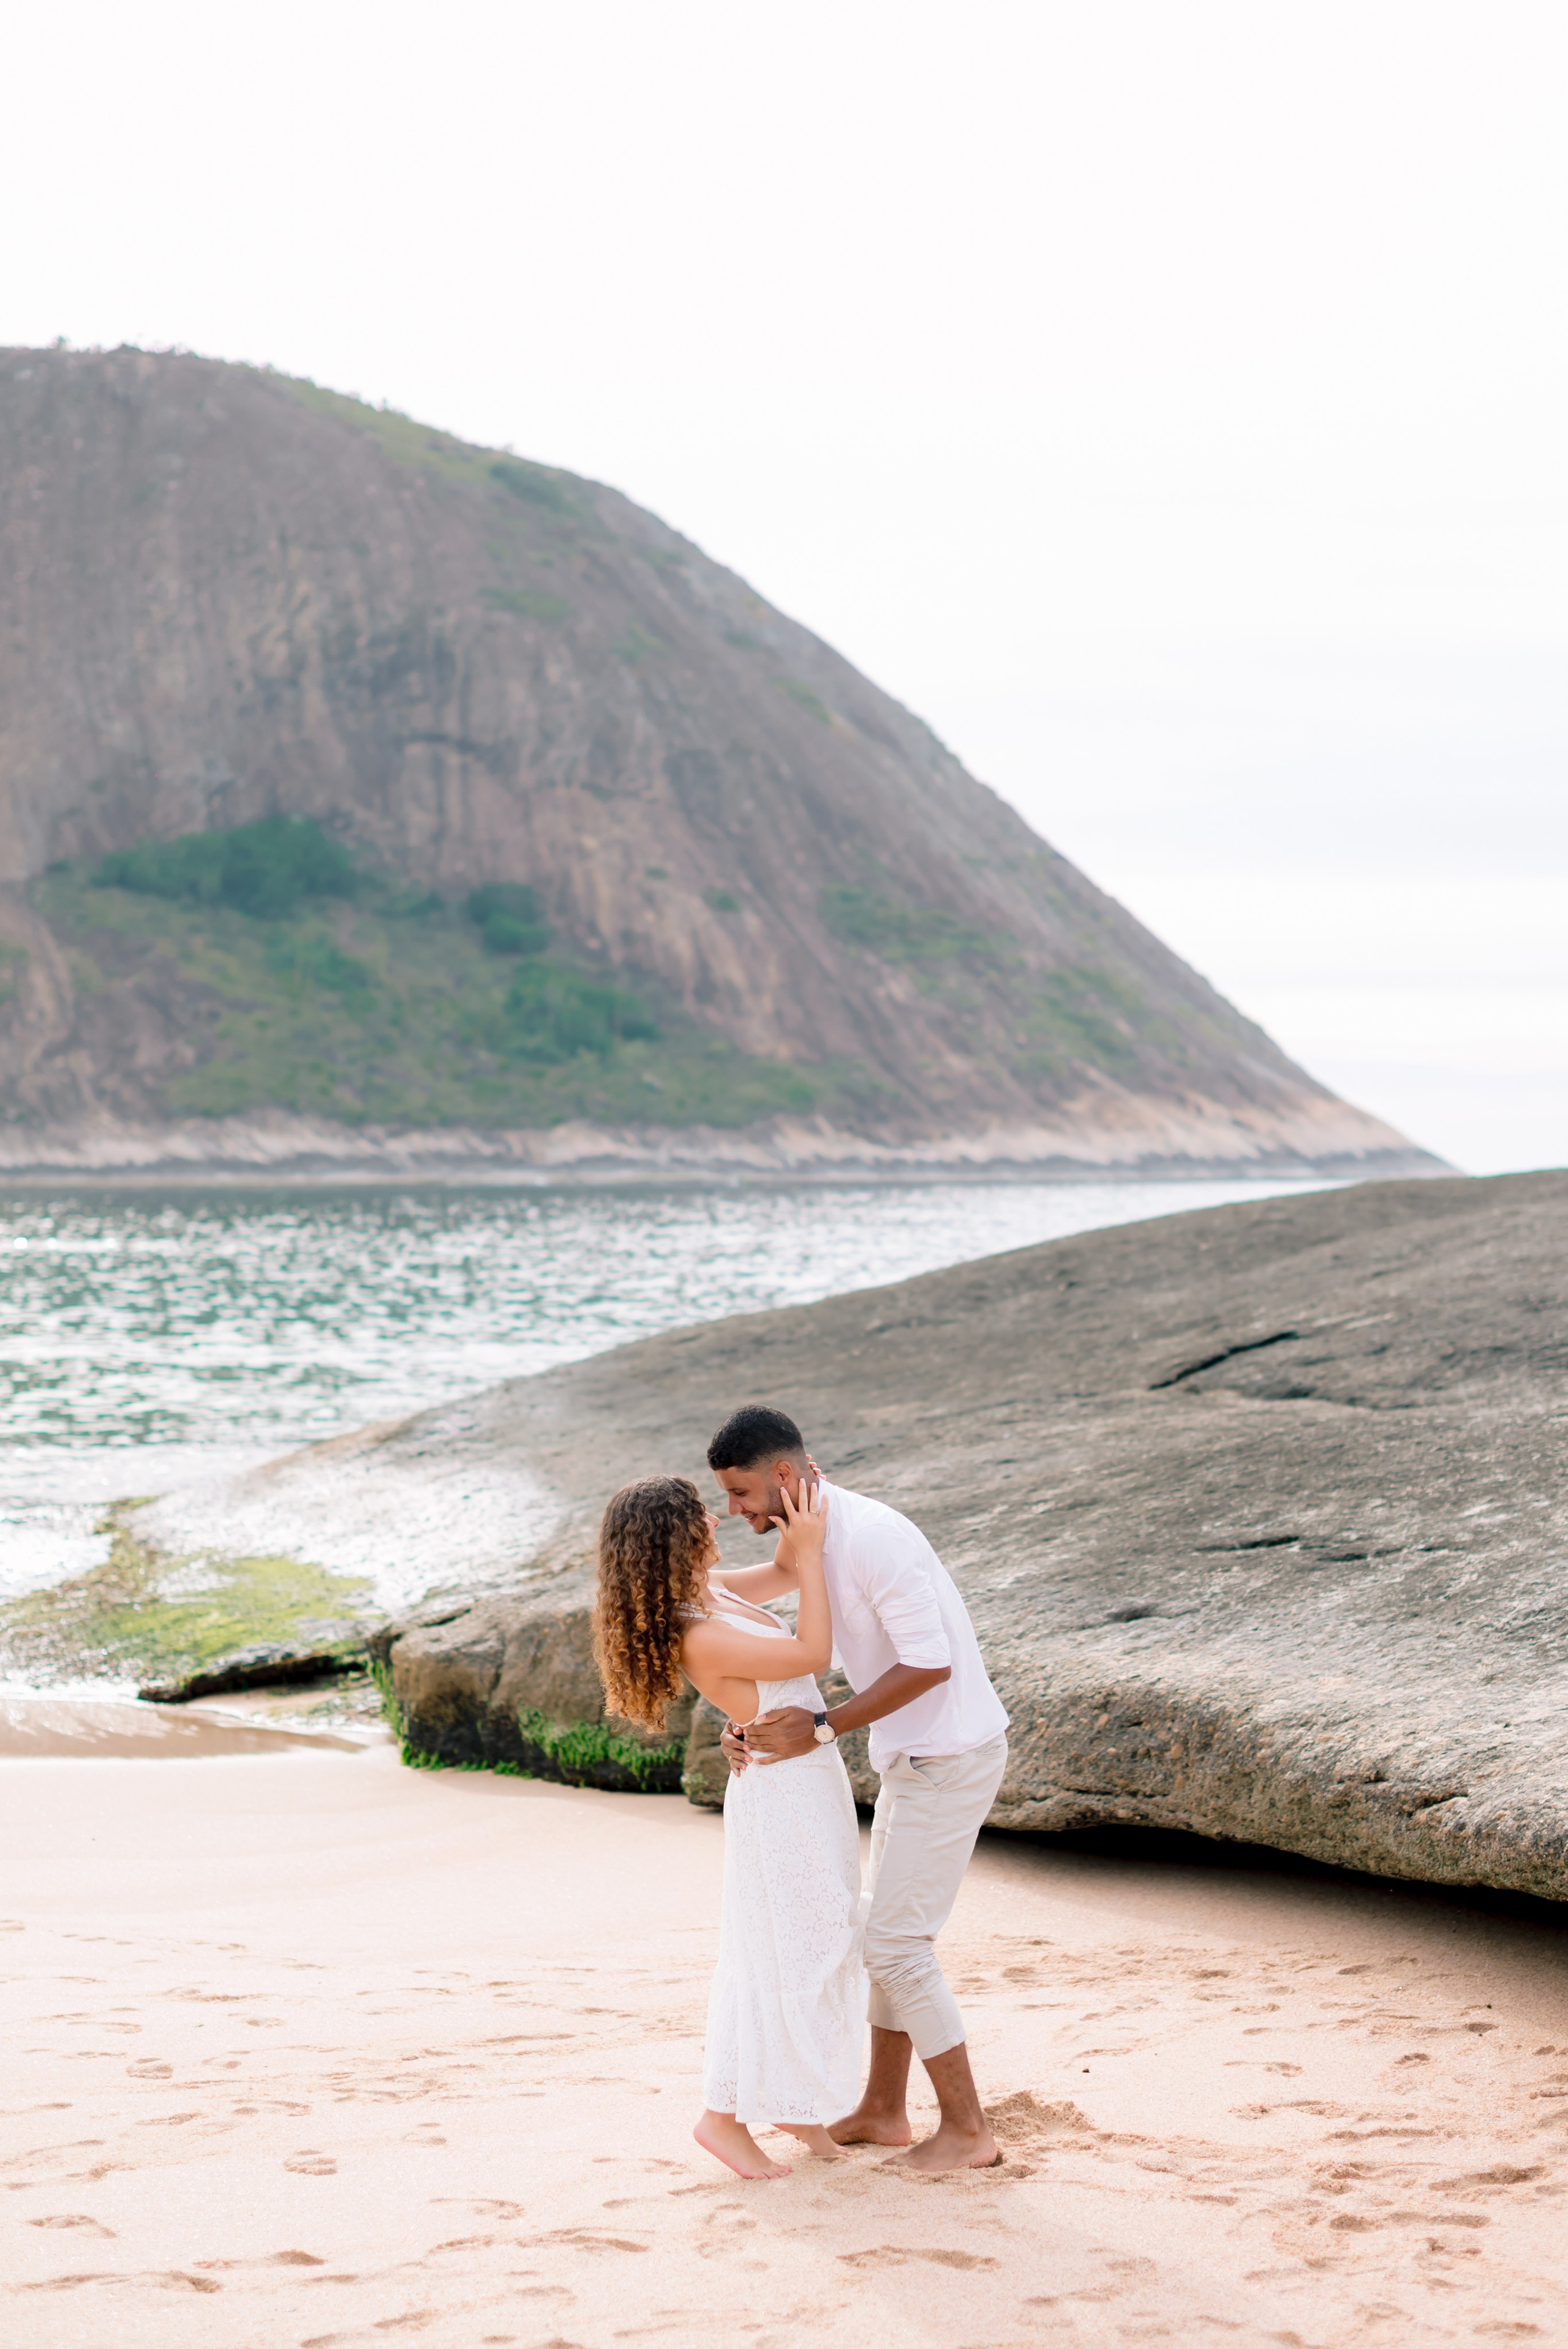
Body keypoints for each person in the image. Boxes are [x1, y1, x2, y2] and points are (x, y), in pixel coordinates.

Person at [708, 1402, 1009, 2175]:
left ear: (783, 1475)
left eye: (740, 1494)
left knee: (896, 1945)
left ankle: (969, 2131)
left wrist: (819, 1725)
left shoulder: (873, 1537)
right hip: (911, 1756)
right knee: (891, 1940)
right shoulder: (810, 1536)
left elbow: (929, 1661)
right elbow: (762, 1594)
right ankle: (881, 2108)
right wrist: (742, 1712)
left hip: (951, 1754)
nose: (733, 1511)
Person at [593, 1471, 864, 2182]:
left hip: (805, 1781)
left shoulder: (710, 1594)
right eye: (701, 1518)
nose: (716, 1521)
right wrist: (809, 1557)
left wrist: (797, 1529)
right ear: (673, 1539)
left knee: (805, 1941)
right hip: (782, 1797)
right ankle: (723, 2114)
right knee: (799, 1946)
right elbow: (813, 1656)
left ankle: (794, 2102)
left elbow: (776, 1572)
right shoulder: (696, 1633)